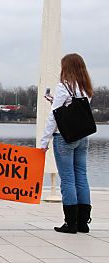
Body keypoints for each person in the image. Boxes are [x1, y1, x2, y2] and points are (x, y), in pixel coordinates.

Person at [40, 53, 93, 234]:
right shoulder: (85, 88)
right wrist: (56, 100)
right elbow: (75, 109)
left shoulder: (64, 86)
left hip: (64, 137)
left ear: (67, 68)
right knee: (81, 176)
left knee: (68, 179)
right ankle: (83, 222)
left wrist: (44, 141)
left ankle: (70, 223)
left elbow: (54, 117)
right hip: (82, 137)